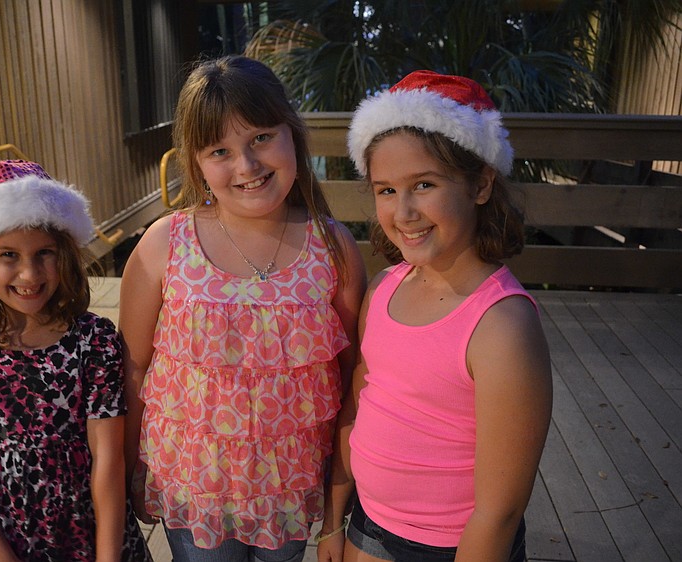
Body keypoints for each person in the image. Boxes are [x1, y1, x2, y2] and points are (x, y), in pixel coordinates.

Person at [119, 55, 367, 561]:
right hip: (192, 485)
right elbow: (134, 366)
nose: (247, 166)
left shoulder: (332, 246)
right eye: (220, 150)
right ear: (196, 161)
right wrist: (130, 468)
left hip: (293, 488)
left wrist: (341, 494)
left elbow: (353, 375)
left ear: (291, 134)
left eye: (260, 138)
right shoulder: (166, 243)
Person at [317, 71, 553, 562]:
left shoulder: (501, 326)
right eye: (385, 190)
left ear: (482, 184)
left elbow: (500, 511)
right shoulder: (384, 289)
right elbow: (357, 406)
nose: (403, 212)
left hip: (450, 547)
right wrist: (332, 521)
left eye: (423, 184)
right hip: (367, 525)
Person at [0, 160, 152, 561]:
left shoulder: (94, 339)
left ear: (63, 253)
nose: (29, 274)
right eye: (8, 255)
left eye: (44, 253)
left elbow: (108, 459)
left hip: (96, 538)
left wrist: (107, 558)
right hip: (7, 542)